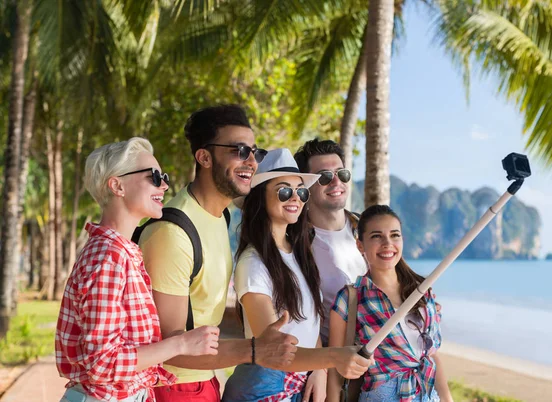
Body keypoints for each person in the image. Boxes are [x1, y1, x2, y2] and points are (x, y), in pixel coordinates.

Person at [138, 105, 298, 402]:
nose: (252, 161)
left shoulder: (219, 216)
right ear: (204, 157)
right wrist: (255, 349)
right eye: (239, 150)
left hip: (206, 381)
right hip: (173, 388)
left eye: (255, 152)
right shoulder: (172, 233)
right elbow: (167, 347)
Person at [56, 137, 220, 402]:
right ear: (117, 185)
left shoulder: (121, 251)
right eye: (154, 176)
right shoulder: (108, 257)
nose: (164, 184)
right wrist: (182, 343)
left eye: (163, 176)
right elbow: (103, 363)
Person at [222, 148, 372, 402]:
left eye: (301, 191)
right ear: (260, 198)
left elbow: (310, 326)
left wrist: (320, 369)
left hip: (298, 382)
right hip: (265, 387)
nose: (295, 198)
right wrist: (334, 356)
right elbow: (273, 349)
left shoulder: (299, 253)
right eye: (284, 191)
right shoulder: (253, 264)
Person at [327, 205, 453, 402]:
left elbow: (432, 355)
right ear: (360, 245)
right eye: (377, 236)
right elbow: (335, 367)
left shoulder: (422, 291)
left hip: (427, 394)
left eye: (395, 235)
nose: (388, 243)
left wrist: (447, 399)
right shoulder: (350, 298)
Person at [294, 139, 367, 345]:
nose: (336, 183)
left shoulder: (366, 228)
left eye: (342, 174)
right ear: (306, 185)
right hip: (330, 362)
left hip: (379, 356)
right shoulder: (295, 244)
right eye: (325, 177)